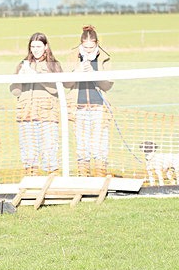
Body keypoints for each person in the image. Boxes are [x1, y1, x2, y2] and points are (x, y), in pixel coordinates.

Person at [10, 32, 63, 176]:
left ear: (46, 46)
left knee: (49, 150)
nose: (35, 50)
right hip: (26, 114)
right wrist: (19, 79)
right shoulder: (22, 64)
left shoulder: (54, 65)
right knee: (29, 153)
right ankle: (31, 180)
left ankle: (52, 180)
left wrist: (36, 76)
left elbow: (56, 89)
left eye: (38, 46)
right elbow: (15, 91)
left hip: (47, 114)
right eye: (32, 47)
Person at [70, 25, 113, 177]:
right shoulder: (73, 57)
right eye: (85, 47)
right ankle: (83, 176)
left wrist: (95, 74)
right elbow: (66, 84)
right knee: (82, 147)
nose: (88, 50)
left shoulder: (104, 58)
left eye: (91, 47)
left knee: (100, 146)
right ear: (81, 44)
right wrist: (77, 73)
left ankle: (100, 175)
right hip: (79, 108)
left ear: (97, 44)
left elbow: (108, 85)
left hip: (99, 108)